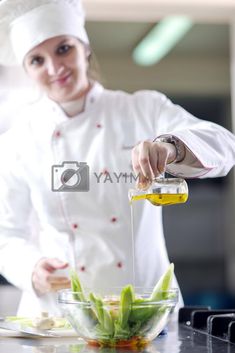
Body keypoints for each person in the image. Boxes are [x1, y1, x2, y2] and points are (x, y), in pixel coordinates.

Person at [0, 0, 235, 316]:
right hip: (63, 315)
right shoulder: (19, 139)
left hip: (146, 310)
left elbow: (225, 145)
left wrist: (171, 147)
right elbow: (7, 234)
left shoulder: (143, 109)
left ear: (84, 48)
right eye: (36, 60)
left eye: (63, 49)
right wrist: (33, 268)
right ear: (27, 70)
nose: (54, 68)